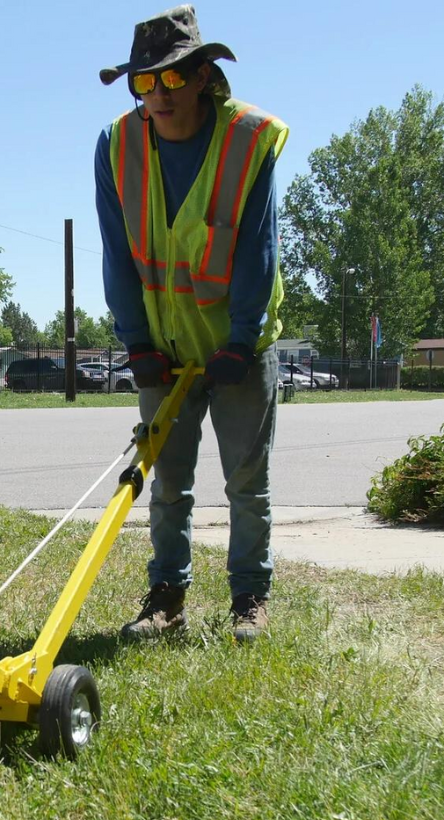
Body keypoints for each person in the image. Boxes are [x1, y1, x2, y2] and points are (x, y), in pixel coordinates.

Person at [94, 5, 289, 642]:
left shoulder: (246, 141)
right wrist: (137, 344)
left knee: (245, 481)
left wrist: (240, 337)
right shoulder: (117, 145)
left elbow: (258, 248)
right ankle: (166, 599)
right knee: (168, 479)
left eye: (173, 79)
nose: (158, 95)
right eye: (143, 83)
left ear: (205, 75)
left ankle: (248, 598)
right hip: (163, 347)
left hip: (238, 348)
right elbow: (117, 251)